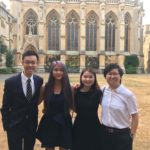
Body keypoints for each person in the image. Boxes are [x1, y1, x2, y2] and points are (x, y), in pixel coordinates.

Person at [1, 50, 43, 150]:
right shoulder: (10, 82)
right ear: (22, 62)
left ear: (37, 64)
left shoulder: (39, 81)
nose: (30, 65)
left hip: (31, 125)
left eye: (33, 62)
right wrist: (7, 126)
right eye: (27, 62)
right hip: (14, 125)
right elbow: (5, 106)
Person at [36, 61, 74, 150]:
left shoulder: (70, 88)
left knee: (64, 147)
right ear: (51, 72)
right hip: (49, 122)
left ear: (65, 72)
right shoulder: (45, 87)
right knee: (49, 147)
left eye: (61, 70)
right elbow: (35, 103)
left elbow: (73, 106)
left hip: (64, 121)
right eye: (56, 70)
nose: (58, 72)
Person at [101, 63, 139, 150]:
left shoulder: (128, 94)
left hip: (121, 135)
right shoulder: (103, 90)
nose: (112, 76)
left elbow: (135, 116)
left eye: (115, 74)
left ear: (120, 76)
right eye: (109, 74)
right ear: (105, 76)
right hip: (104, 133)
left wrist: (131, 135)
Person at [72, 68, 103, 150]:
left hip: (94, 126)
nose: (88, 79)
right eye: (85, 77)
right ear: (81, 77)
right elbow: (73, 107)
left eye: (90, 77)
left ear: (94, 78)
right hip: (79, 126)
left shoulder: (98, 92)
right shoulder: (76, 91)